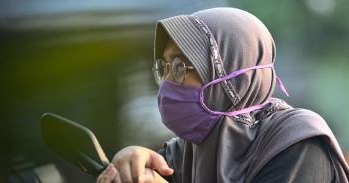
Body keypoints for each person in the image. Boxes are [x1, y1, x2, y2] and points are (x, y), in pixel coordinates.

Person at [97, 7, 349, 183]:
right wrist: (129, 163)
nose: (167, 84)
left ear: (232, 70)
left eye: (179, 67)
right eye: (164, 68)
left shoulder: (296, 143)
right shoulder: (182, 154)